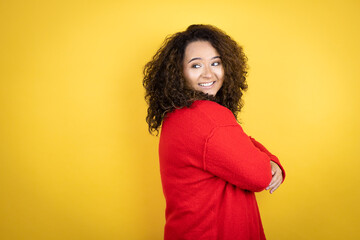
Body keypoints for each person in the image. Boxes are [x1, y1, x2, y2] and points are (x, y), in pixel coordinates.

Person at [143, 24, 286, 240]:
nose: (209, 73)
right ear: (177, 73)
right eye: (196, 65)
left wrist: (268, 159)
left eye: (216, 63)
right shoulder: (208, 116)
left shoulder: (178, 115)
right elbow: (261, 176)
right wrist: (271, 162)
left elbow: (239, 144)